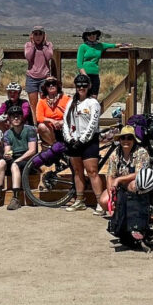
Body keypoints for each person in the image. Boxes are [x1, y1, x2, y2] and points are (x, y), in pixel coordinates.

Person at [62, 74, 103, 213]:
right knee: (78, 171)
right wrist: (69, 138)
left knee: (92, 172)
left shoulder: (93, 103)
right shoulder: (71, 102)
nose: (81, 88)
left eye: (84, 85)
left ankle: (100, 202)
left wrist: (83, 140)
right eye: (78, 85)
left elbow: (93, 124)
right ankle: (80, 200)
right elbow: (65, 122)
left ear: (89, 86)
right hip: (73, 141)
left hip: (89, 141)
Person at [0, 106, 37, 211]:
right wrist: (7, 155)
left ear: (22, 117)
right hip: (15, 157)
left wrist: (18, 160)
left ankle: (16, 198)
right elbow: (7, 150)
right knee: (1, 162)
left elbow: (32, 150)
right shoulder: (7, 133)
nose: (16, 118)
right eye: (13, 116)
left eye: (18, 116)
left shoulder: (30, 130)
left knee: (15, 165)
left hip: (28, 159)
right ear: (9, 119)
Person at [98, 126, 151, 216]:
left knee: (133, 186)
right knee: (103, 201)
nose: (126, 141)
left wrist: (118, 180)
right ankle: (121, 211)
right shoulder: (115, 153)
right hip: (120, 186)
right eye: (123, 138)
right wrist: (110, 193)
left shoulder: (141, 152)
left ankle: (137, 211)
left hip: (136, 183)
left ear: (134, 140)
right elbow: (110, 175)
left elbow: (140, 174)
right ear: (120, 140)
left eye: (129, 138)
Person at [76, 27, 130, 98]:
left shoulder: (100, 45)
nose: (92, 36)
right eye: (89, 34)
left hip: (95, 74)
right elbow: (79, 64)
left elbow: (113, 45)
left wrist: (124, 44)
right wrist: (85, 76)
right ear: (86, 36)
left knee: (94, 97)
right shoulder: (83, 47)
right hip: (84, 76)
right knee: (83, 97)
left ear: (97, 35)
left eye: (94, 34)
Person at [24, 25, 54, 109]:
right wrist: (33, 46)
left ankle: (43, 121)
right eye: (35, 34)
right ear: (32, 35)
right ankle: (34, 122)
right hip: (31, 78)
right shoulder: (28, 45)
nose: (38, 36)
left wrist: (44, 45)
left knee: (44, 104)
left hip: (44, 78)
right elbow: (28, 57)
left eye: (40, 34)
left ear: (44, 35)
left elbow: (49, 57)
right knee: (33, 105)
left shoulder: (49, 45)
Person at [34, 76, 69, 145]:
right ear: (45, 88)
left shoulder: (66, 99)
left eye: (53, 83)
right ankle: (55, 146)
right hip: (50, 129)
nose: (51, 85)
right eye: (48, 84)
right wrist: (51, 120)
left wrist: (62, 122)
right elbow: (39, 118)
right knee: (41, 126)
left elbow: (72, 114)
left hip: (64, 126)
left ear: (57, 85)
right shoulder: (42, 101)